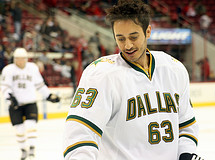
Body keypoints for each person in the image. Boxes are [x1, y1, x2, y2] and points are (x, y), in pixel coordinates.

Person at [63, 0, 203, 160]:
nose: (127, 45)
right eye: (120, 38)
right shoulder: (102, 75)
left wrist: (186, 153)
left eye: (133, 37)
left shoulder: (173, 69)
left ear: (148, 31)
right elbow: (80, 132)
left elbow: (186, 124)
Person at [0, 48, 60, 160]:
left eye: (23, 59)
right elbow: (4, 86)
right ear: (14, 59)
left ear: (26, 59)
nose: (20, 61)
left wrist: (48, 95)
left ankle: (32, 148)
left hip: (30, 103)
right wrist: (10, 98)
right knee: (19, 129)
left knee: (31, 125)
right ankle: (23, 150)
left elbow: (39, 85)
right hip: (14, 105)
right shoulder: (8, 70)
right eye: (18, 59)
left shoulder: (32, 68)